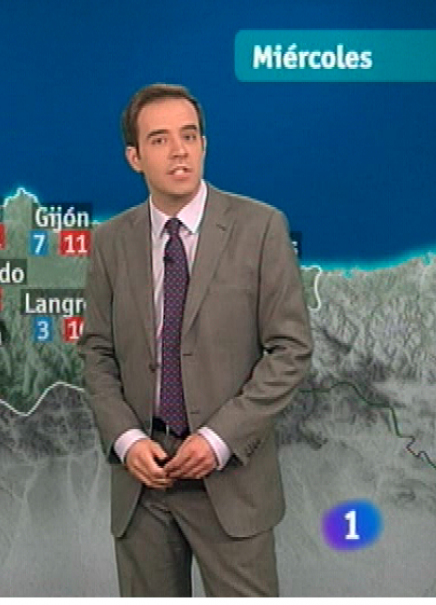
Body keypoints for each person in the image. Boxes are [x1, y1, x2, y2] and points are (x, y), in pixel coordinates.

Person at [78, 83, 313, 597]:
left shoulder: (260, 228)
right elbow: (97, 352)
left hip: (230, 480)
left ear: (204, 145)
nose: (179, 151)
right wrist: (127, 440)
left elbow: (290, 350)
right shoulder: (112, 241)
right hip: (144, 483)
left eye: (189, 136)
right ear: (135, 158)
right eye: (160, 140)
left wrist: (218, 439)